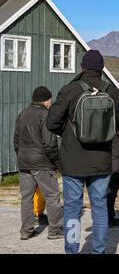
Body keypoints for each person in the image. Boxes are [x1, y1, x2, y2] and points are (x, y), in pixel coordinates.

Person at [47, 50, 119, 254]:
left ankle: (72, 250)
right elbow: (115, 125)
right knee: (99, 208)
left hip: (73, 160)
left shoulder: (70, 90)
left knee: (72, 208)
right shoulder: (113, 92)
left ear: (82, 67)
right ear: (101, 69)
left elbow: (52, 122)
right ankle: (99, 251)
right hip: (102, 160)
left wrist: (69, 134)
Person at [14, 86, 63, 240]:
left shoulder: (23, 114)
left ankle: (26, 231)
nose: (50, 103)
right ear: (46, 100)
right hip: (42, 163)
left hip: (24, 162)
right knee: (52, 196)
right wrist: (57, 162)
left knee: (26, 198)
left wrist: (22, 155)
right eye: (50, 100)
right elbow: (49, 143)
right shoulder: (46, 115)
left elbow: (16, 140)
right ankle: (54, 230)